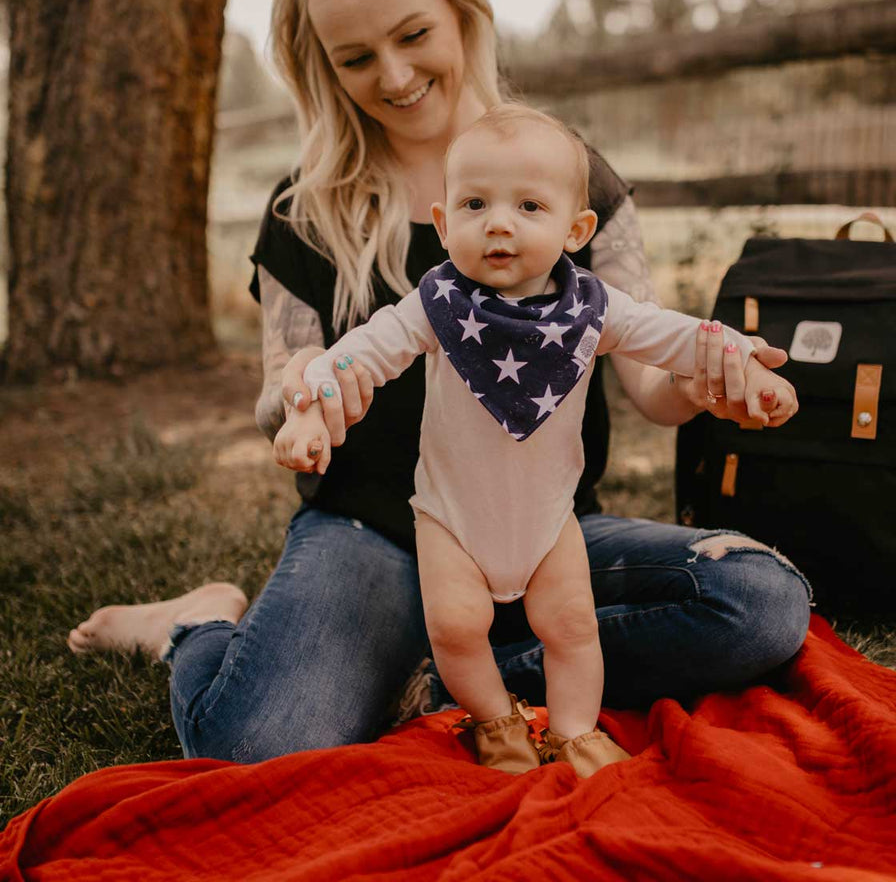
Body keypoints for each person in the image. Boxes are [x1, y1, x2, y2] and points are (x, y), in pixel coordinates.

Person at [68, 0, 811, 765]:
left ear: (462, 12)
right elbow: (283, 382)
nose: (392, 75)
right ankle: (198, 623)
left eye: (413, 35)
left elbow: (648, 376)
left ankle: (448, 669)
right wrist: (305, 392)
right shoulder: (305, 210)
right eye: (355, 57)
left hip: (545, 526)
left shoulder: (572, 178)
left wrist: (701, 379)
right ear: (323, 66)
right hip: (373, 532)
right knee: (256, 741)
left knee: (759, 602)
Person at [275, 103, 797, 776]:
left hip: (550, 518)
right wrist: (311, 407)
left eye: (528, 206)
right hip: (451, 519)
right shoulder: (434, 308)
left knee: (572, 627)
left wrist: (743, 364)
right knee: (457, 628)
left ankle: (575, 730)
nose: (498, 222)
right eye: (473, 204)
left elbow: (674, 335)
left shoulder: (595, 310)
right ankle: (494, 719)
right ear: (442, 223)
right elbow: (358, 353)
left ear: (577, 229)